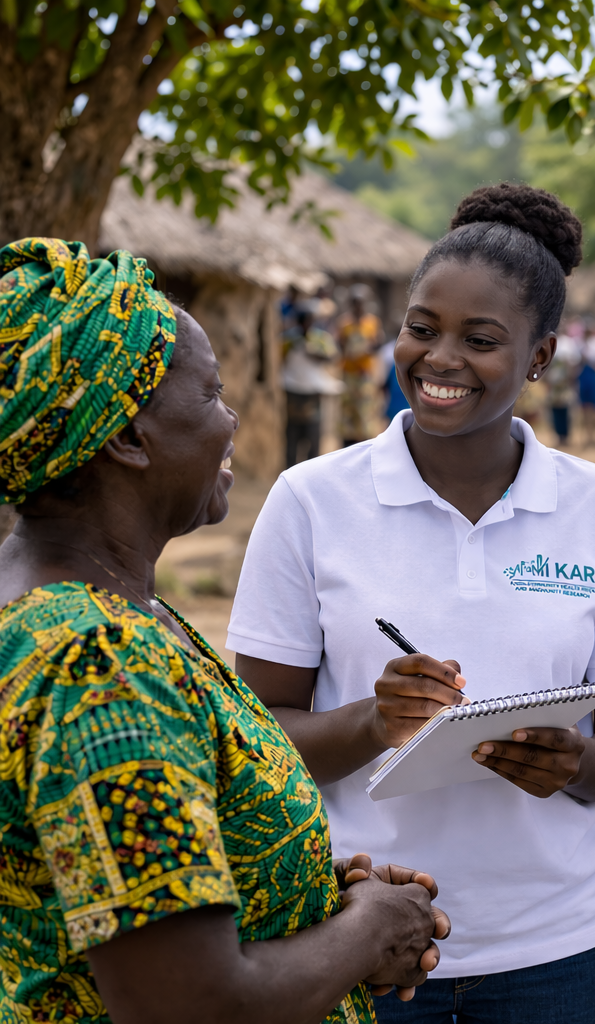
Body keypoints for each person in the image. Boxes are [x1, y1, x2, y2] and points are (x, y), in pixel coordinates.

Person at [228, 184, 595, 1024]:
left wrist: (574, 764)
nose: (438, 359)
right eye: (422, 328)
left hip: (561, 952)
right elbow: (254, 747)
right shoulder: (313, 500)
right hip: (358, 942)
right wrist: (375, 721)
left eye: (481, 340)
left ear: (541, 357)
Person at [0, 238, 449, 1023]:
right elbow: (190, 1004)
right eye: (208, 398)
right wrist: (369, 930)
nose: (233, 418)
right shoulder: (99, 666)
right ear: (126, 439)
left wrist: (307, 906)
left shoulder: (87, 610)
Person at [282, 305, 342, 466]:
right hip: (293, 388)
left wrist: (315, 354)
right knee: (292, 434)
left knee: (313, 434)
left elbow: (332, 357)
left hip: (312, 391)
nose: (306, 325)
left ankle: (311, 468)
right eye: (304, 321)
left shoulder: (320, 338)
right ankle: (290, 468)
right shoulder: (289, 339)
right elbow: (280, 359)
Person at [336, 285, 386, 446]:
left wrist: (367, 349)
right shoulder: (344, 323)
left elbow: (378, 344)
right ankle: (347, 448)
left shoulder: (372, 323)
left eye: (361, 302)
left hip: (365, 375)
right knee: (348, 414)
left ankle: (365, 447)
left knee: (365, 414)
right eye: (355, 302)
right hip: (348, 374)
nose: (358, 306)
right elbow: (339, 345)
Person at [544, 330, 580, 448]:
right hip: (554, 385)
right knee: (555, 411)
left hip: (564, 384)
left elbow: (573, 365)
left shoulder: (568, 343)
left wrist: (570, 379)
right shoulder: (547, 342)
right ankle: (559, 436)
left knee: (565, 410)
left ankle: (566, 436)